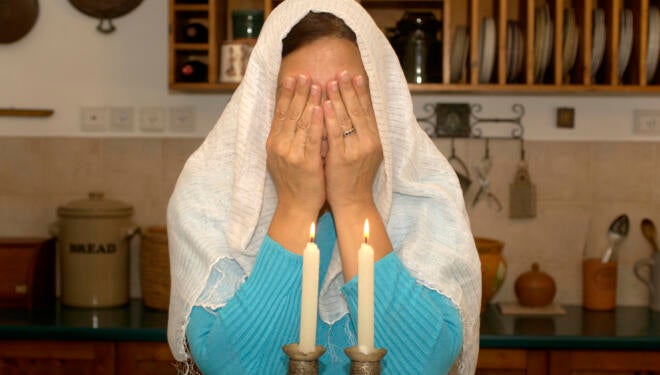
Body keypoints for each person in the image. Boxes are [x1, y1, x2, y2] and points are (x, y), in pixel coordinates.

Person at [166, 0, 481, 374]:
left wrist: (355, 201)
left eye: (347, 99)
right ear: (263, 105)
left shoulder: (426, 191)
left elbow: (424, 365)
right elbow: (231, 366)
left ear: (380, 101)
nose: (325, 124)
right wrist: (295, 206)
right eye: (299, 100)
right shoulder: (207, 192)